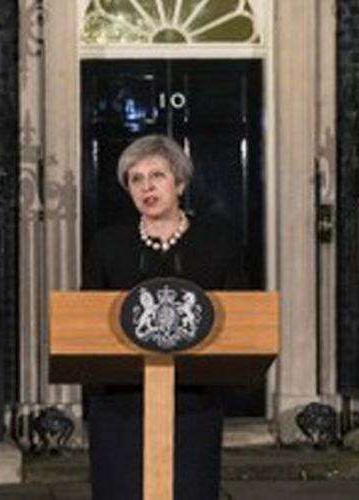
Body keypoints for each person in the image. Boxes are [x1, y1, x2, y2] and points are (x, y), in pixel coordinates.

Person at [83, 134, 247, 500]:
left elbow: (241, 320)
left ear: (180, 182)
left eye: (156, 175)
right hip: (121, 405)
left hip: (192, 403)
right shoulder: (107, 245)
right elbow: (87, 322)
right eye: (136, 179)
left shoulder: (219, 242)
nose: (146, 187)